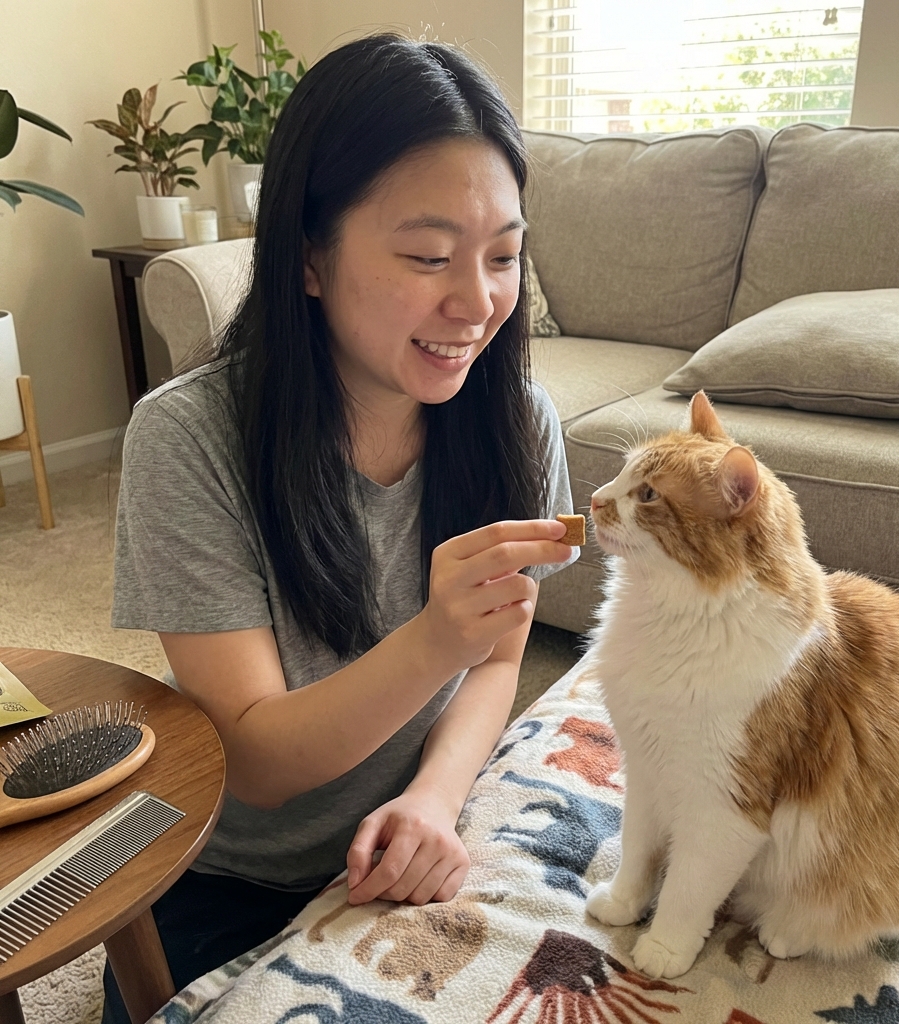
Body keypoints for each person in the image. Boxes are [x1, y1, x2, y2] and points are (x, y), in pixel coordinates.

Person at [105, 33, 578, 1023]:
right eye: (427, 256)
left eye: (503, 255)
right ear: (309, 257)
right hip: (223, 877)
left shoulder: (514, 421)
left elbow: (499, 663)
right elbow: (261, 763)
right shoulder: (189, 437)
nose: (478, 302)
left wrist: (435, 799)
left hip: (414, 831)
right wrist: (435, 636)